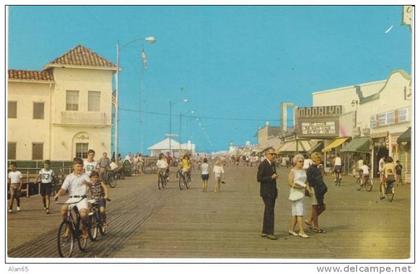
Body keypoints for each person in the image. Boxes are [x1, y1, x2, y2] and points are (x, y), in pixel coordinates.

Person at [54, 158, 90, 238]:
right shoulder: (69, 177)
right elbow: (63, 189)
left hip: (82, 198)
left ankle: (84, 229)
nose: (79, 168)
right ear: (73, 167)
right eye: (77, 166)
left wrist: (87, 183)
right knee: (63, 209)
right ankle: (68, 226)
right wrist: (58, 194)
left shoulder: (85, 176)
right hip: (72, 198)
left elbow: (91, 185)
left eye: (81, 166)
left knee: (83, 214)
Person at [257, 147, 279, 240]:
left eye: (274, 154)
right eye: (271, 154)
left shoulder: (273, 164)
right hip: (266, 191)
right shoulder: (263, 164)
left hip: (272, 191)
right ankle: (270, 232)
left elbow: (273, 175)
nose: (273, 156)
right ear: (266, 154)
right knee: (270, 211)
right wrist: (271, 177)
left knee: (268, 210)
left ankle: (265, 231)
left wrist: (274, 177)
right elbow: (259, 178)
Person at [305, 152, 328, 233]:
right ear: (315, 159)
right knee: (315, 207)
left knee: (321, 207)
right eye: (319, 159)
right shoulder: (311, 169)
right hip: (314, 189)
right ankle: (316, 226)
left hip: (318, 190)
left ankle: (310, 220)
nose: (320, 161)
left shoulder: (317, 168)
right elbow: (309, 180)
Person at [288, 154, 310, 238]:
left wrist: (305, 186)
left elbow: (305, 181)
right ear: (295, 162)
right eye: (300, 161)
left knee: (295, 212)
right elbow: (290, 183)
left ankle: (291, 229)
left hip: (302, 192)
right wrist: (302, 187)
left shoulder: (304, 171)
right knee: (299, 212)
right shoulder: (292, 171)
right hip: (295, 192)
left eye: (303, 161)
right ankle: (301, 231)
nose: (302, 163)